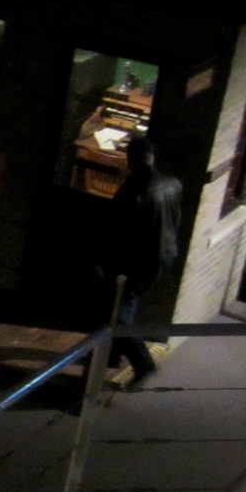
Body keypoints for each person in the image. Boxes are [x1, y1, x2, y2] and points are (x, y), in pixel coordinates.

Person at [99, 135, 183, 383]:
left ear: (130, 160)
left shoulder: (132, 191)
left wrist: (106, 262)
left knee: (120, 312)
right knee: (127, 301)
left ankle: (143, 363)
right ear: (152, 157)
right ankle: (112, 354)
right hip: (165, 254)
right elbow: (175, 220)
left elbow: (116, 230)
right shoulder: (172, 184)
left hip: (141, 260)